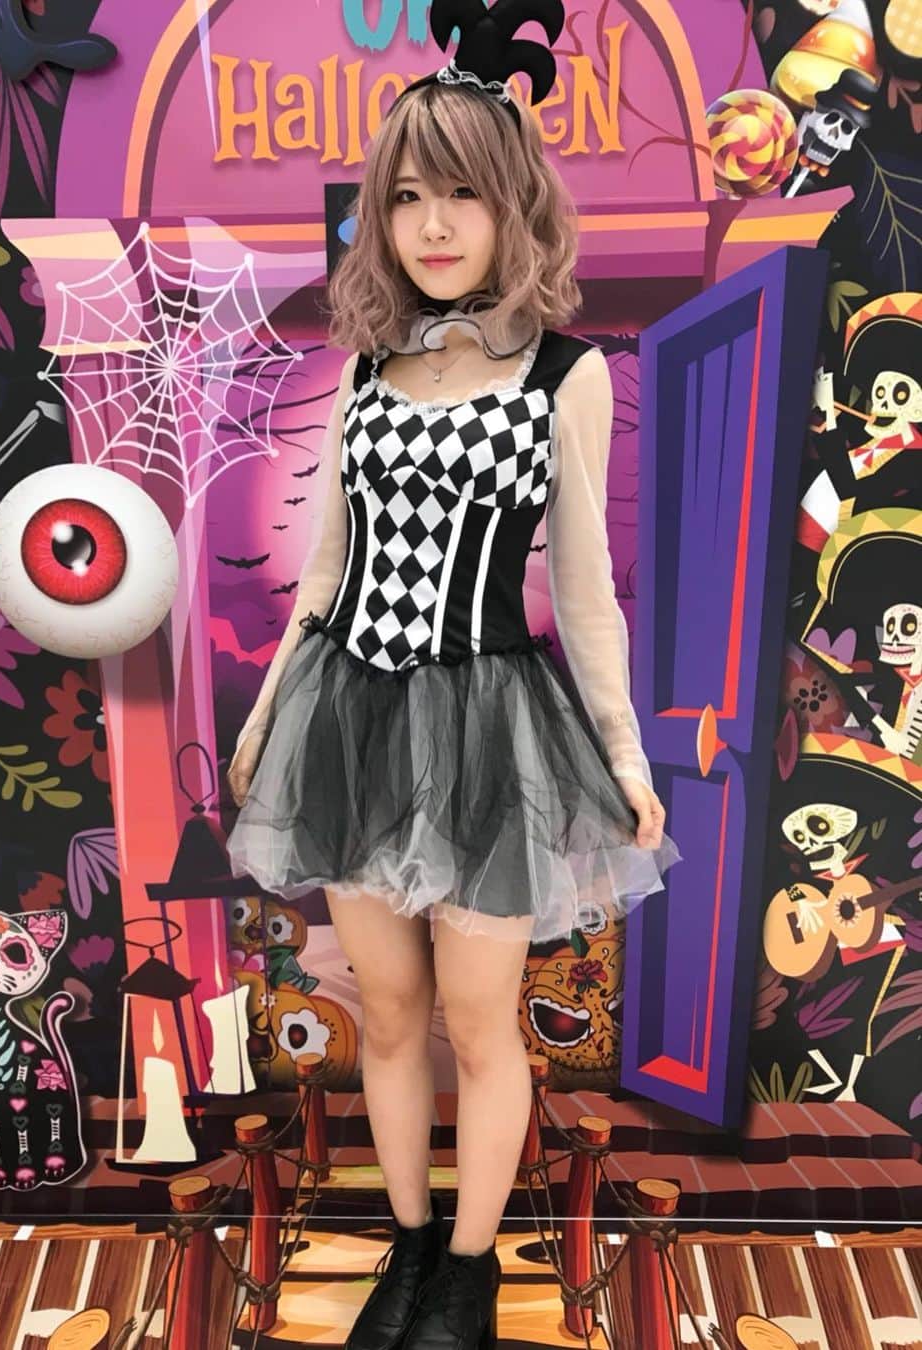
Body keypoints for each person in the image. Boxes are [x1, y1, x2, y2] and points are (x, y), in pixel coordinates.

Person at [225, 2, 682, 1345]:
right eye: (409, 196)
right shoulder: (367, 368)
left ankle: (470, 1273)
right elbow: (326, 569)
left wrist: (626, 755)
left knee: (482, 1025)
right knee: (388, 1014)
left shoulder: (566, 375)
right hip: (350, 715)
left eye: (463, 195)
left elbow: (585, 592)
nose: (434, 224)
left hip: (489, 720)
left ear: (513, 208)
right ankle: (410, 1247)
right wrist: (265, 715)